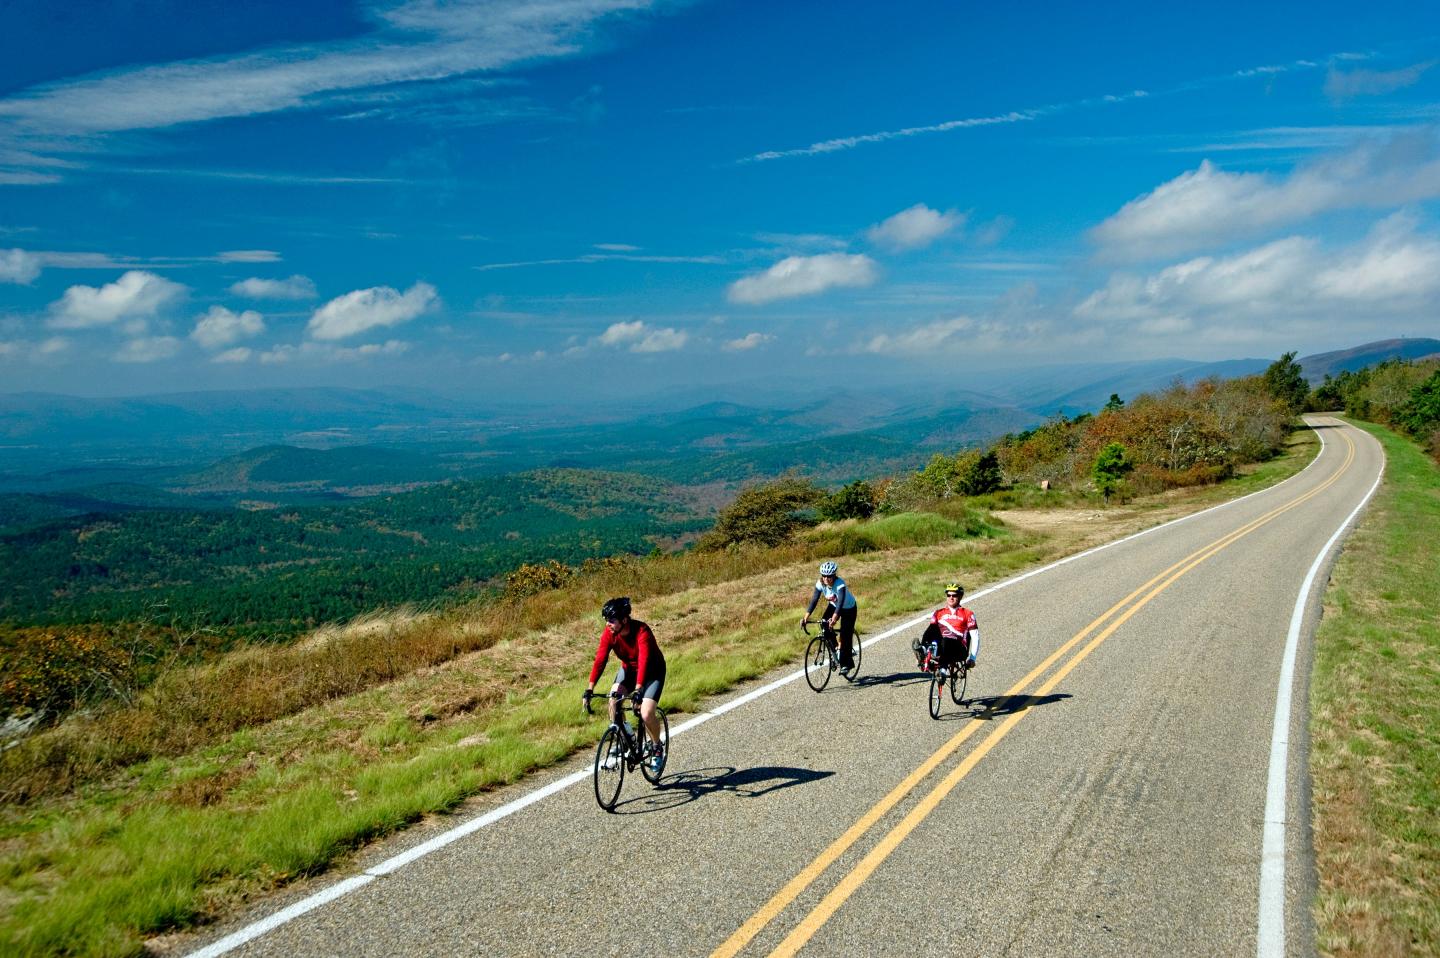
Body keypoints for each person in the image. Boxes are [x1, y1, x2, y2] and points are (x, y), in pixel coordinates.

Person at [585, 597, 667, 773]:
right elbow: (600, 660)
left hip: (652, 672)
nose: (608, 624)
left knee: (645, 713)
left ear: (624, 620)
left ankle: (657, 746)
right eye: (606, 620)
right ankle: (626, 737)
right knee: (613, 701)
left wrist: (638, 689)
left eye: (612, 620)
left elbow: (644, 661)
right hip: (629, 670)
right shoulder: (610, 634)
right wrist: (590, 688)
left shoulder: (642, 631)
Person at [800, 560, 858, 673]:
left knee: (845, 634)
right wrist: (806, 617)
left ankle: (846, 664)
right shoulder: (821, 583)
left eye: (829, 576)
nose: (826, 578)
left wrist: (835, 619)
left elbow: (840, 603)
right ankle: (836, 648)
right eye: (824, 576)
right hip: (833, 606)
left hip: (848, 608)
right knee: (824, 623)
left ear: (834, 575)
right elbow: (814, 600)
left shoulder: (840, 584)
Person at [913, 582, 980, 670]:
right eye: (948, 595)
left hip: (958, 647)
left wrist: (972, 658)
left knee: (946, 641)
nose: (951, 598)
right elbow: (930, 631)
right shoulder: (939, 612)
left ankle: (943, 669)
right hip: (940, 645)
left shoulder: (968, 614)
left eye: (954, 595)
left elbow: (975, 637)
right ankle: (923, 650)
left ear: (960, 596)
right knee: (933, 627)